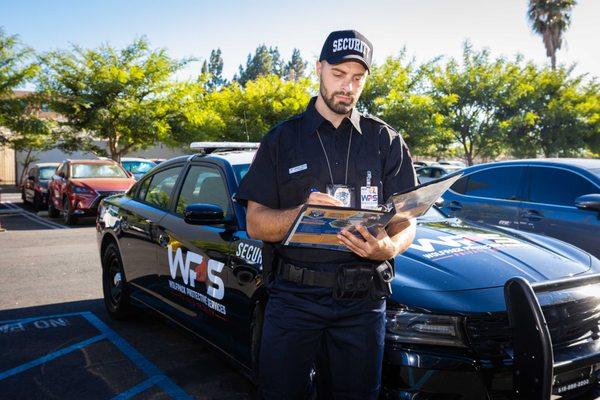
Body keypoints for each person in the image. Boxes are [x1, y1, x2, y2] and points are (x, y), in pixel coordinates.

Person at [236, 29, 418, 400]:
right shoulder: (281, 140)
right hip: (293, 300)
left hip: (362, 303)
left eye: (357, 78)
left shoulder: (385, 141)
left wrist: (390, 248)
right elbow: (255, 223)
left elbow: (407, 221)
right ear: (318, 68)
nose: (347, 87)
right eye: (338, 74)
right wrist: (302, 213)